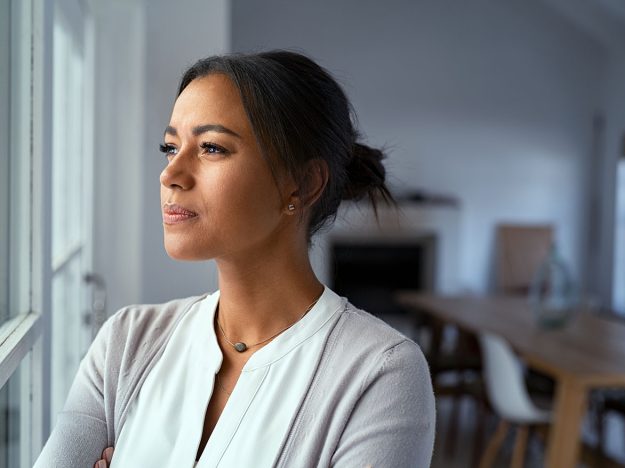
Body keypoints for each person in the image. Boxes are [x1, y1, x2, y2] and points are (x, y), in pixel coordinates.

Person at [34, 50, 435, 468]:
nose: (170, 174)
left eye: (211, 148)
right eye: (170, 147)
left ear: (301, 184)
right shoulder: (126, 343)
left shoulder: (381, 375)